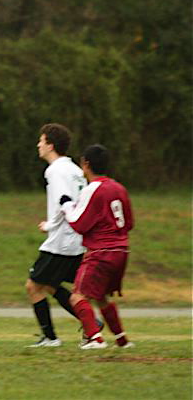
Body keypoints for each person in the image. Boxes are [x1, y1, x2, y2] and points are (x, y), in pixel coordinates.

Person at [60, 144, 135, 350]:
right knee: (101, 297)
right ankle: (122, 340)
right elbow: (129, 223)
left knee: (77, 296)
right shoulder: (119, 188)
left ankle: (95, 339)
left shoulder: (92, 189)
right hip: (122, 250)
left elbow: (78, 223)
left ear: (85, 164)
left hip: (101, 251)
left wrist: (66, 205)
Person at [25, 123, 87, 347]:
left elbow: (64, 202)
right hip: (77, 238)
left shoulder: (55, 170)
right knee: (50, 285)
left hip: (61, 240)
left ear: (50, 145)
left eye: (41, 141)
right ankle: (91, 324)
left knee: (33, 286)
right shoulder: (75, 170)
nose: (38, 145)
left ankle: (51, 338)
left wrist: (50, 225)